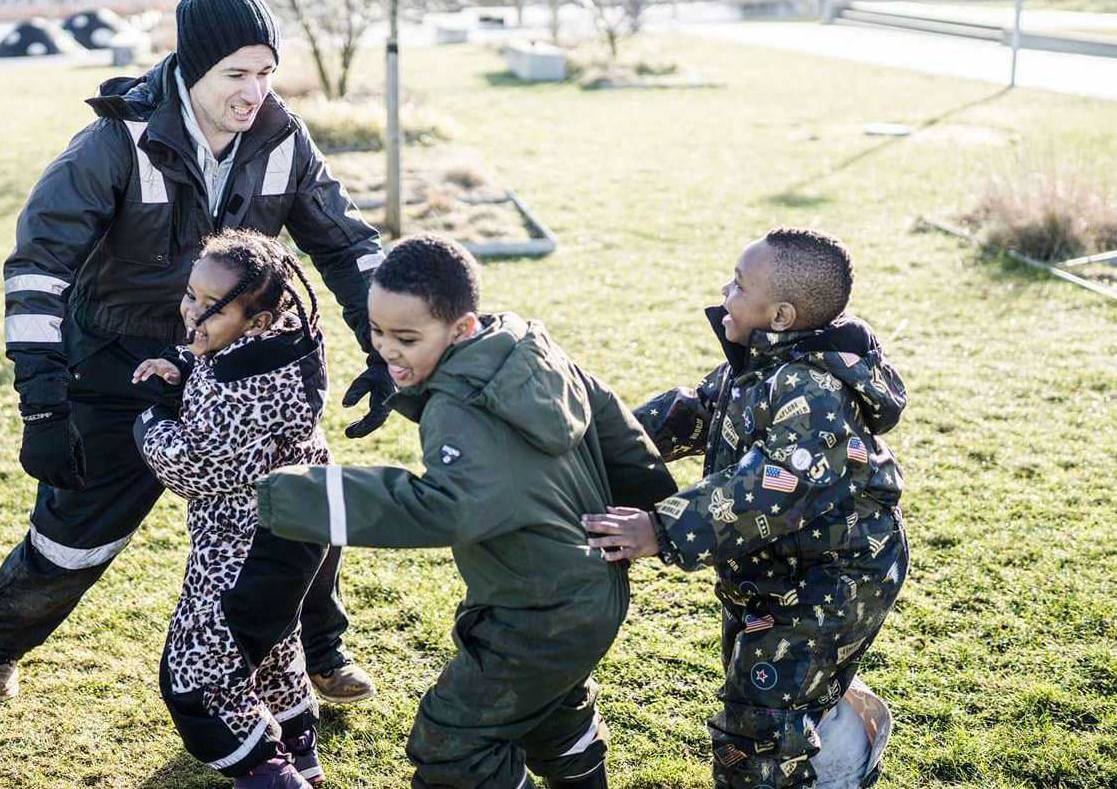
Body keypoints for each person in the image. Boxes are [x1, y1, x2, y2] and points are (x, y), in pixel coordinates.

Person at [0, 0, 391, 705]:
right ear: (193, 71)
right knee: (76, 531)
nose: (254, 91)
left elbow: (348, 246)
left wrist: (385, 348)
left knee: (293, 510)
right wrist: (42, 405)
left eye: (265, 72)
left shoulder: (283, 138)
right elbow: (39, 268)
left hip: (239, 370)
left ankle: (321, 652)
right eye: (235, 73)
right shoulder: (114, 141)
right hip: (119, 369)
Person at [255, 235, 678, 789]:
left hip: (537, 609)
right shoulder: (526, 349)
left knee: (452, 741)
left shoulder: (458, 412)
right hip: (585, 588)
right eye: (377, 333)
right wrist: (652, 512)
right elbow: (615, 427)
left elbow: (449, 507)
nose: (386, 349)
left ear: (461, 329)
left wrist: (293, 495)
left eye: (406, 338)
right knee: (548, 708)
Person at [583, 228, 907, 789]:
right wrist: (595, 441)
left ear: (780, 314)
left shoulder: (814, 389)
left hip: (834, 577)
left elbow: (771, 486)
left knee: (756, 721)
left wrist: (660, 527)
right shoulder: (755, 365)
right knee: (770, 686)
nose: (724, 292)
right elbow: (691, 411)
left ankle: (826, 757)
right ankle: (844, 736)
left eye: (737, 283)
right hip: (770, 571)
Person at [132, 231, 337, 788]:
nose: (191, 312)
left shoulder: (236, 385)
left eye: (209, 306)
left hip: (244, 545)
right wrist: (184, 366)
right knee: (266, 650)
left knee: (197, 677)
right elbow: (227, 384)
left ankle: (271, 775)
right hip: (294, 538)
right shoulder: (287, 345)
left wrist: (151, 420)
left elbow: (194, 466)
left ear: (259, 319)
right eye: (190, 295)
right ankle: (300, 754)